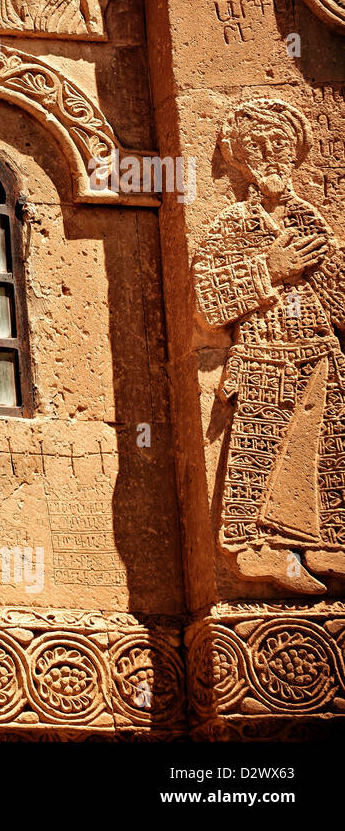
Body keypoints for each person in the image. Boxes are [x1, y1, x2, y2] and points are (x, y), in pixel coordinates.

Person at [193, 97, 345, 593]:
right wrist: (268, 269)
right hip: (263, 357)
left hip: (319, 350)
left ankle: (328, 546)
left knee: (325, 451)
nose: (270, 153)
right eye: (256, 145)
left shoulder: (308, 219)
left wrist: (317, 265)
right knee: (261, 452)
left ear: (294, 152)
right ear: (243, 157)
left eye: (280, 142)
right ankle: (257, 548)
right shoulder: (231, 224)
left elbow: (340, 296)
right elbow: (207, 302)